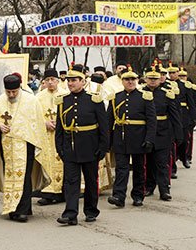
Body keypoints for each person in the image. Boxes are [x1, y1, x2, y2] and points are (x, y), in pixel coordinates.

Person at [0, 74, 47, 222]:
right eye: (8, 92)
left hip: (26, 144)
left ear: (20, 87)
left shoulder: (31, 101)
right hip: (6, 146)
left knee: (24, 176)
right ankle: (12, 207)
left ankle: (23, 210)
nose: (11, 94)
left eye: (14, 91)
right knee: (10, 175)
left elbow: (38, 123)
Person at [54, 67, 110, 225]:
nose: (70, 83)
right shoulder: (62, 101)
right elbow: (60, 128)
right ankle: (70, 214)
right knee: (71, 181)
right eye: (68, 80)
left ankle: (91, 210)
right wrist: (59, 147)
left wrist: (103, 147)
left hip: (90, 146)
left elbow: (103, 126)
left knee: (91, 180)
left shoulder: (95, 100)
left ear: (83, 82)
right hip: (70, 147)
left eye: (74, 80)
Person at [107, 70, 156, 208]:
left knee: (139, 168)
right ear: (122, 81)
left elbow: (151, 120)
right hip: (120, 138)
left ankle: (138, 195)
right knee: (121, 168)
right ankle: (119, 196)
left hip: (139, 138)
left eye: (133, 79)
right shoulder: (115, 98)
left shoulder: (145, 97)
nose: (130, 82)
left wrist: (149, 139)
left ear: (137, 81)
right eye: (127, 79)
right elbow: (109, 121)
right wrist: (108, 141)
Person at [141, 69, 181, 202]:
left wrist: (178, 134)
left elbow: (175, 115)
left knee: (162, 162)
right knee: (148, 162)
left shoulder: (166, 95)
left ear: (160, 80)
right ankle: (149, 186)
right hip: (145, 132)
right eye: (150, 78)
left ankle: (164, 190)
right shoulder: (140, 93)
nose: (152, 81)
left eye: (155, 79)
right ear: (145, 79)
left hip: (163, 132)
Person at [34, 69, 66, 206]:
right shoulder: (38, 98)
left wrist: (60, 123)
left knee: (64, 163)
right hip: (45, 136)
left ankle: (63, 192)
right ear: (44, 82)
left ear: (58, 80)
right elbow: (33, 116)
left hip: (62, 136)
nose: (51, 82)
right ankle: (48, 192)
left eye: (53, 79)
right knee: (46, 162)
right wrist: (44, 123)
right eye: (48, 80)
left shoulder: (66, 95)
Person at [176, 69, 196, 169]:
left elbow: (195, 103)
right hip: (176, 115)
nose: (182, 78)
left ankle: (186, 156)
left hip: (185, 115)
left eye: (184, 76)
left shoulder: (189, 86)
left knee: (187, 138)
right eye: (180, 76)